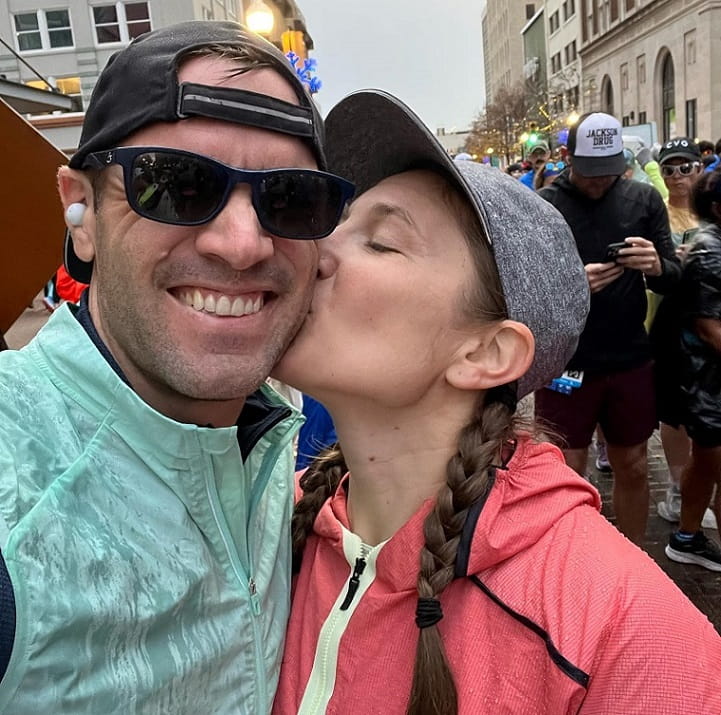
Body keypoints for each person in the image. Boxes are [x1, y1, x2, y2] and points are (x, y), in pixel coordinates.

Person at [271, 90, 721, 715]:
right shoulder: (271, 527)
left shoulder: (631, 636)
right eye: (336, 224)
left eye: (380, 242)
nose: (314, 250)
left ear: (485, 353)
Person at [0, 21, 353, 712]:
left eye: (289, 198)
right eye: (177, 184)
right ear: (81, 212)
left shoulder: (279, 448)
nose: (243, 244)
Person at [535, 112, 681, 545]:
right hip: (566, 359)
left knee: (633, 463)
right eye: (589, 172)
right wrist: (571, 284)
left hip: (628, 356)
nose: (600, 182)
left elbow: (672, 275)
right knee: (562, 468)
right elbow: (522, 290)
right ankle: (563, 561)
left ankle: (636, 559)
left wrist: (656, 267)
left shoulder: (642, 199)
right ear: (568, 158)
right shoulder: (546, 202)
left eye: (609, 172)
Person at [648, 138, 717, 527]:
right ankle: (678, 488)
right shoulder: (657, 213)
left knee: (705, 409)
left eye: (686, 167)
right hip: (669, 322)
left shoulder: (710, 215)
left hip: (707, 323)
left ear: (698, 168)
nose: (678, 176)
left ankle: (698, 486)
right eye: (670, 168)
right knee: (674, 412)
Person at [666, 167, 721, 571]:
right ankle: (687, 536)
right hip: (709, 385)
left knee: (705, 464)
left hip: (708, 386)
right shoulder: (710, 251)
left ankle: (686, 537)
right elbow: (709, 326)